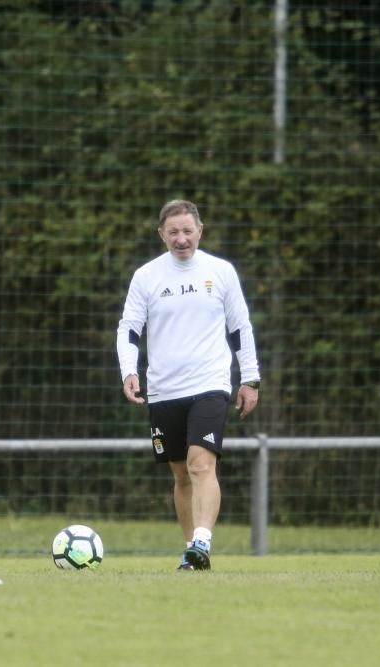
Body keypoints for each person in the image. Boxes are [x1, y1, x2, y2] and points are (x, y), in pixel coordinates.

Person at [117, 199, 260, 571]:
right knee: (181, 474)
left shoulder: (221, 272)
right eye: (173, 232)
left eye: (187, 230)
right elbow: (129, 329)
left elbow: (240, 328)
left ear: (200, 230)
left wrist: (250, 378)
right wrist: (128, 371)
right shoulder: (146, 277)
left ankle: (202, 541)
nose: (181, 239)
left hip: (211, 383)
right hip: (164, 389)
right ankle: (192, 553)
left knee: (201, 465)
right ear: (161, 234)